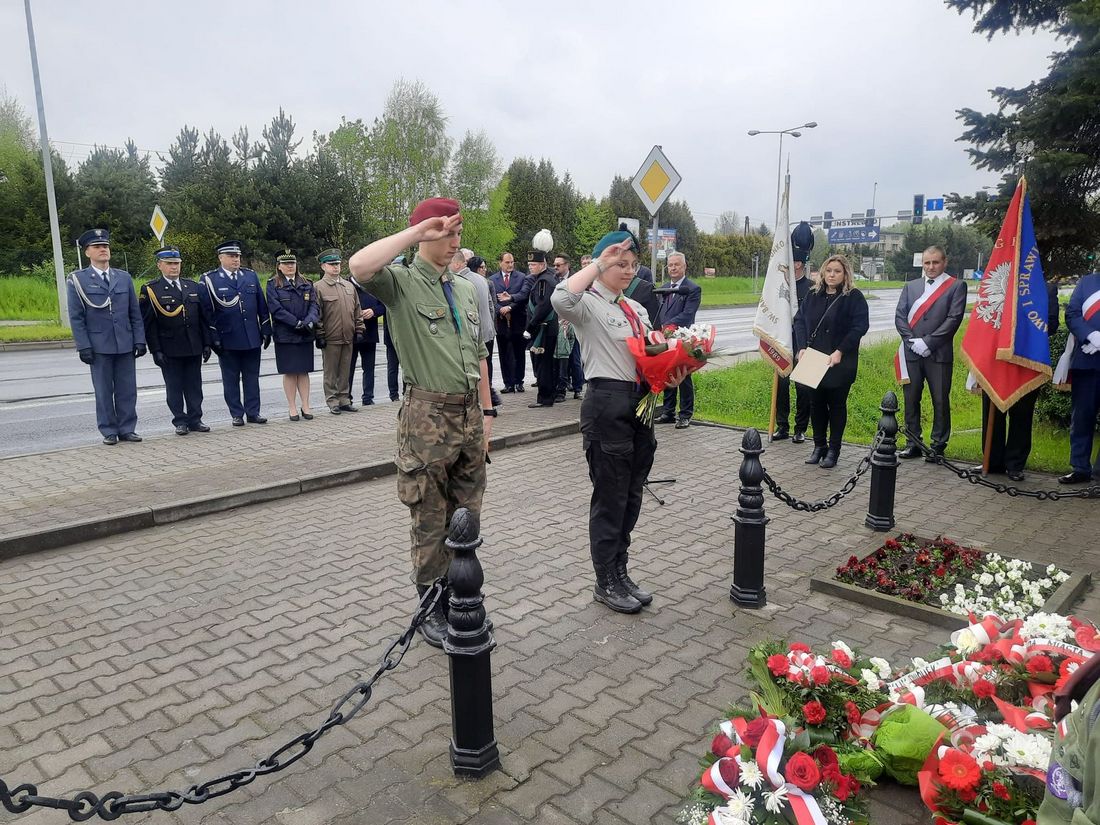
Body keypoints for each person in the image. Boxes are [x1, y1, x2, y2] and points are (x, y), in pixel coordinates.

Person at [348, 197, 493, 648]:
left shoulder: (464, 288)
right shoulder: (401, 283)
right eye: (445, 233)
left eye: (457, 233)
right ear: (424, 235)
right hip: (427, 417)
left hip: (469, 414)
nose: (454, 242)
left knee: (466, 515)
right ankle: (431, 605)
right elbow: (359, 266)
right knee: (430, 515)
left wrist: (487, 413)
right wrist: (416, 232)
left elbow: (480, 354)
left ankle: (461, 595)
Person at [551, 229, 690, 615]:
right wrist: (600, 263)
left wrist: (671, 374)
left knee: (631, 494)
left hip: (641, 403)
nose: (629, 271)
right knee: (610, 497)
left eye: (632, 264)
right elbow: (559, 298)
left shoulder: (637, 310)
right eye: (620, 264)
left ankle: (620, 570)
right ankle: (605, 580)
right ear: (602, 264)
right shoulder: (588, 304)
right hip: (606, 403)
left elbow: (650, 357)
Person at [67, 228, 146, 445]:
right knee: (103, 391)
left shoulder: (123, 277)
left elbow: (134, 312)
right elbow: (76, 317)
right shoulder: (78, 279)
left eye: (105, 246)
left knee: (127, 390)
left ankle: (127, 428)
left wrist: (139, 339)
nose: (103, 249)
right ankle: (109, 430)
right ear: (87, 252)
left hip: (124, 343)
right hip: (99, 345)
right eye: (97, 247)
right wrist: (83, 346)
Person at [978, 278, 1059, 481]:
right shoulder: (999, 284)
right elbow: (983, 320)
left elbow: (1052, 324)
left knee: (1022, 415)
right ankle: (992, 461)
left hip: (1026, 361)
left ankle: (1015, 464)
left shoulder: (1046, 289)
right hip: (997, 361)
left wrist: (1021, 329)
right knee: (993, 414)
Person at [794, 254, 870, 469]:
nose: (832, 275)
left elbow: (860, 326)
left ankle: (834, 450)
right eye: (828, 271)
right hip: (814, 359)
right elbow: (799, 321)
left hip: (839, 361)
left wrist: (841, 350)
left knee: (836, 406)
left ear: (845, 274)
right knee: (816, 404)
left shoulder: (853, 297)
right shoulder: (813, 295)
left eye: (837, 271)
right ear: (823, 272)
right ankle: (819, 446)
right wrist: (801, 347)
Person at [895, 245, 968, 460]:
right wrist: (911, 342)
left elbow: (954, 319)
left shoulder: (956, 286)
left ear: (944, 262)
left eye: (935, 262)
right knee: (911, 400)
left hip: (939, 354)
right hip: (912, 353)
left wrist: (928, 343)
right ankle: (913, 443)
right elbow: (900, 316)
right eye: (927, 263)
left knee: (940, 401)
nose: (931, 267)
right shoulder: (911, 286)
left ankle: (938, 445)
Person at [139, 246, 212, 435]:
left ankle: (195, 419)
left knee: (194, 386)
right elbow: (149, 324)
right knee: (174, 387)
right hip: (169, 347)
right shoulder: (151, 289)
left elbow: (203, 318)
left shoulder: (192, 286)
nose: (174, 267)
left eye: (177, 263)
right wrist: (156, 350)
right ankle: (180, 420)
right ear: (159, 265)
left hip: (193, 344)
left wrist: (207, 343)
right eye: (170, 263)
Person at [200, 240, 271, 426]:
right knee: (230, 379)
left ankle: (253, 412)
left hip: (251, 336)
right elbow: (207, 312)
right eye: (231, 256)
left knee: (252, 377)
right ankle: (236, 414)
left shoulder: (250, 276)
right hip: (228, 337)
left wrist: (265, 328)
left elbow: (261, 305)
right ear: (220, 258)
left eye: (238, 256)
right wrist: (214, 338)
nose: (236, 259)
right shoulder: (210, 279)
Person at [265, 251, 319, 420]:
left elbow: (314, 305)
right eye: (286, 264)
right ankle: (292, 407)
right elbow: (276, 309)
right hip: (286, 334)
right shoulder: (273, 284)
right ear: (279, 266)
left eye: (292, 263)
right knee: (289, 372)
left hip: (305, 333)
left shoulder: (307, 283)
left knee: (303, 371)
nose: (290, 266)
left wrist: (308, 322)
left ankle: (306, 405)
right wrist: (295, 323)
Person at [1059, 269, 1100, 484]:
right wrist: (1091, 336)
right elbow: (1072, 314)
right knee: (1082, 418)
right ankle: (1080, 468)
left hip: (1092, 352)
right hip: (1086, 360)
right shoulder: (1086, 282)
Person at [654, 251, 702, 429]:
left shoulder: (692, 289)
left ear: (684, 266)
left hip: (683, 338)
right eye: (670, 265)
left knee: (683, 375)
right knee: (667, 372)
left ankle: (685, 414)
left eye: (676, 265)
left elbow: (688, 314)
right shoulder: (664, 288)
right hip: (665, 338)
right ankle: (668, 412)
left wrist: (666, 326)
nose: (673, 268)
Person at [773, 236, 814, 443]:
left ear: (798, 264)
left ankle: (800, 429)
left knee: (803, 387)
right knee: (781, 385)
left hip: (804, 343)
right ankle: (782, 426)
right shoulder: (780, 286)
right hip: (783, 341)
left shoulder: (812, 288)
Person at [314, 249, 364, 414]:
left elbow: (357, 310)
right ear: (323, 266)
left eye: (337, 264)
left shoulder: (349, 286)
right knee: (330, 372)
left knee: (345, 370)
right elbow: (317, 314)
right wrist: (320, 334)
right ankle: (332, 401)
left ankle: (344, 399)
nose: (335, 267)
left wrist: (359, 329)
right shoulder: (318, 287)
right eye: (331, 264)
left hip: (348, 336)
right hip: (330, 337)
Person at [454, 251, 502, 407]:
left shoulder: (461, 282)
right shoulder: (482, 280)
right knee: (486, 365)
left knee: (473, 368)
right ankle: (489, 398)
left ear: (457, 263)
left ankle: (485, 399)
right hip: (487, 330)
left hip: (474, 333)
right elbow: (491, 305)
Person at [490, 251, 532, 393]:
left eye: (512, 262)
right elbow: (492, 299)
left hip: (518, 320)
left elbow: (523, 297)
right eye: (507, 262)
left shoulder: (521, 277)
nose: (510, 265)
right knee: (504, 353)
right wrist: (500, 309)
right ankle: (507, 383)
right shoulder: (492, 280)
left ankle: (519, 381)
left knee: (519, 352)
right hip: (501, 322)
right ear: (500, 263)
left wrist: (510, 307)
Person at [525, 250, 560, 407]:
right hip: (545, 328)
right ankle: (547, 395)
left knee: (544, 364)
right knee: (545, 363)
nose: (530, 267)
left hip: (543, 328)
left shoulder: (544, 281)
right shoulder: (545, 279)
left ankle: (545, 397)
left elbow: (543, 306)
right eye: (529, 264)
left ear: (542, 265)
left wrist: (530, 327)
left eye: (533, 264)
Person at [349, 275, 386, 406]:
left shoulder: (373, 285)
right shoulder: (347, 285)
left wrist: (373, 311)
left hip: (370, 333)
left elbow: (384, 305)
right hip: (352, 333)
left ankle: (368, 397)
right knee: (349, 368)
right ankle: (347, 397)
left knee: (369, 368)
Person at [552, 254, 585, 399]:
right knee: (560, 358)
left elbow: (582, 299)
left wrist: (571, 318)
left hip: (573, 324)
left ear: (567, 265)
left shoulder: (577, 279)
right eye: (554, 265)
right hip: (557, 324)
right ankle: (561, 389)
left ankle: (578, 388)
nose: (555, 267)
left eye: (558, 265)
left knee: (575, 358)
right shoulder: (553, 279)